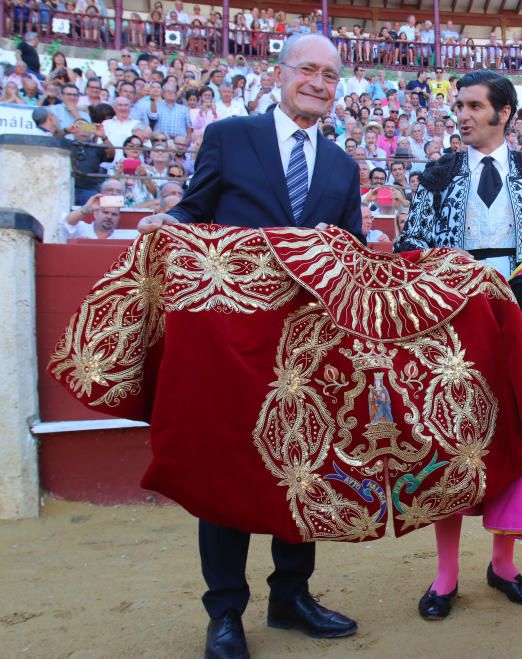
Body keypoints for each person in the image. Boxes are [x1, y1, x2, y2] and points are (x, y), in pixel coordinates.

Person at [136, 33, 363, 659]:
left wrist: (338, 247)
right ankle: (226, 613)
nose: (319, 82)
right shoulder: (230, 136)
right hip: (229, 341)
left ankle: (291, 596)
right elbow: (194, 210)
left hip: (304, 344)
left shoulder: (343, 166)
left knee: (305, 462)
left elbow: (352, 249)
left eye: (330, 75)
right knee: (228, 466)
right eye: (308, 70)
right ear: (281, 73)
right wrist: (169, 224)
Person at [396, 70, 522, 620]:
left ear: (505, 113)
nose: (464, 115)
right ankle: (445, 576)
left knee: (515, 441)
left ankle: (503, 563)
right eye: (460, 106)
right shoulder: (438, 174)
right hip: (453, 324)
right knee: (449, 445)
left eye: (475, 106)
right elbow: (410, 246)